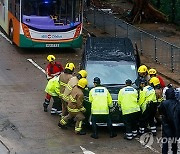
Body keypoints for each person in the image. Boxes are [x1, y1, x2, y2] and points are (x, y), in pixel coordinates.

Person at [159, 88, 180, 154]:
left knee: (165, 142)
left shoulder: (164, 103)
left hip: (166, 125)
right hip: (175, 125)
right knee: (174, 142)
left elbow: (160, 111)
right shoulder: (177, 103)